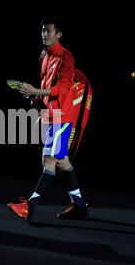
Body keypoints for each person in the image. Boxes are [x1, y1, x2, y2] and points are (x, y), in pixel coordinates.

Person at [8, 16, 88, 221]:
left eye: (49, 31)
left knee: (49, 160)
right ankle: (78, 205)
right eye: (43, 30)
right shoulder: (44, 55)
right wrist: (35, 96)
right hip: (50, 115)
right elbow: (48, 88)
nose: (45, 34)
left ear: (59, 34)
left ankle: (30, 206)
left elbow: (63, 88)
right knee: (62, 162)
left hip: (62, 116)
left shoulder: (66, 57)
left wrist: (37, 90)